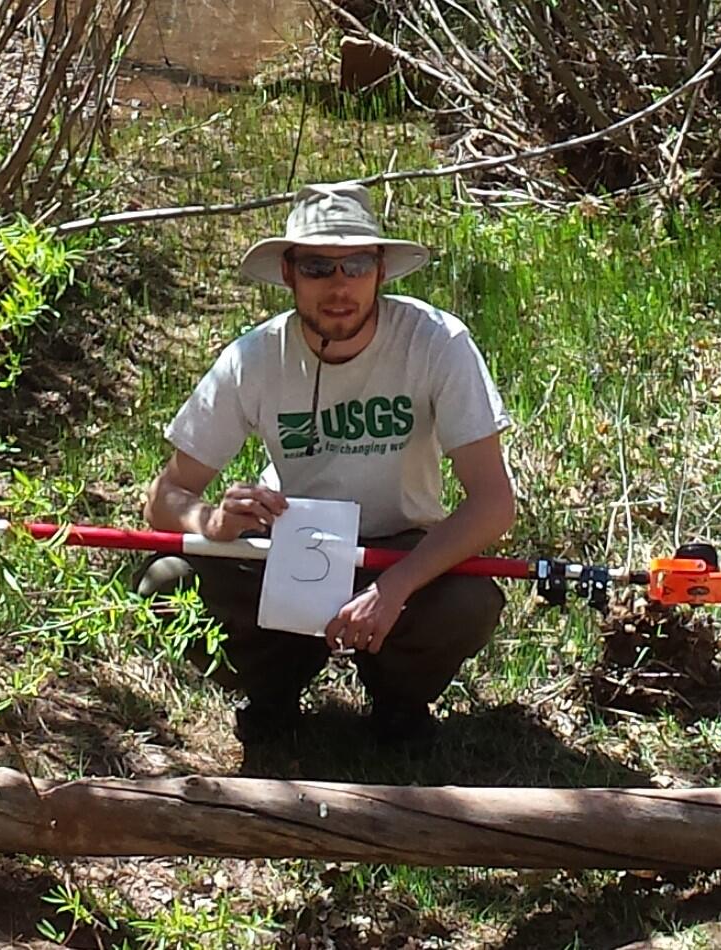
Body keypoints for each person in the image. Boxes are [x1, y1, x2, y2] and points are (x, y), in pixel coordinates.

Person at [138, 181, 515, 745]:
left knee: (469, 602)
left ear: (380, 270)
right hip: (286, 549)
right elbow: (164, 499)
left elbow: (493, 505)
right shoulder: (253, 357)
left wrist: (393, 589)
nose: (339, 288)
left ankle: (398, 702)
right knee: (166, 583)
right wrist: (213, 522)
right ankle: (273, 691)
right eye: (317, 268)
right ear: (288, 273)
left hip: (399, 547)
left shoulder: (437, 341)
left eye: (356, 265)